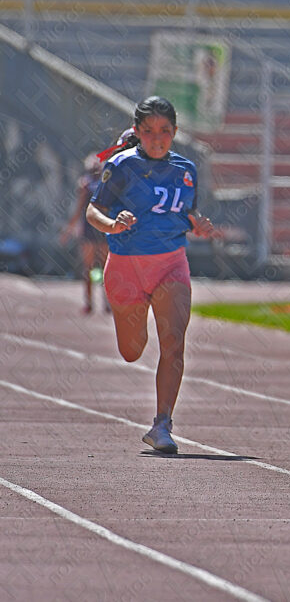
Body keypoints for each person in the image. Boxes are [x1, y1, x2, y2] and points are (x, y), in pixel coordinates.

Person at [86, 96, 214, 454]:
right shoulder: (122, 165)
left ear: (175, 131)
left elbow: (186, 212)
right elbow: (93, 211)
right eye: (149, 131)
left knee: (174, 344)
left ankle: (162, 424)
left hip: (171, 264)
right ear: (137, 131)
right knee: (132, 351)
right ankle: (134, 317)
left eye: (165, 131)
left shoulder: (186, 169)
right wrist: (112, 224)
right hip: (126, 268)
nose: (158, 139)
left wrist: (197, 224)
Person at [61, 154, 109, 314]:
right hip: (92, 230)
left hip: (101, 229)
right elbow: (79, 208)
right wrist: (69, 231)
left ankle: (105, 302)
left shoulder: (103, 184)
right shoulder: (86, 185)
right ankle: (90, 302)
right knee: (90, 268)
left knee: (104, 268)